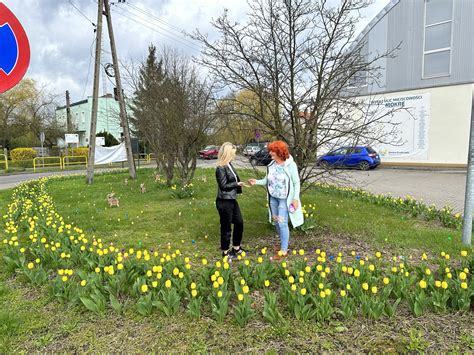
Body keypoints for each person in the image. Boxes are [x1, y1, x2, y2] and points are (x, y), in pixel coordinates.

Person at [248, 140, 304, 260]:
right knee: (276, 222)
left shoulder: (290, 165)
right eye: (270, 151)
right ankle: (282, 244)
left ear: (279, 152)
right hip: (273, 198)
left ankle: (284, 250)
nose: (270, 153)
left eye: (272, 151)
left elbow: (296, 182)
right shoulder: (272, 164)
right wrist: (256, 182)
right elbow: (266, 180)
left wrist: (295, 198)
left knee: (282, 223)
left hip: (285, 199)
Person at [215, 142, 246, 259]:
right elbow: (223, 186)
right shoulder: (220, 168)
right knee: (226, 227)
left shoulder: (229, 165)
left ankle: (236, 247)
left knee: (239, 223)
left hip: (232, 199)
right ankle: (225, 252)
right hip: (224, 201)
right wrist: (237, 183)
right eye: (233, 153)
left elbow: (232, 181)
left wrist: (240, 184)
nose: (234, 155)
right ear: (228, 153)